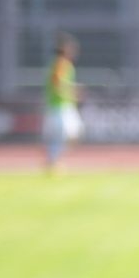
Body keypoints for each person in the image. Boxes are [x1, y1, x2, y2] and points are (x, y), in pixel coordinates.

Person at [42, 34, 81, 174]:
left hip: (62, 106)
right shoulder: (61, 63)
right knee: (63, 135)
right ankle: (53, 163)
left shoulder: (63, 64)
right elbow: (57, 83)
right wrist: (71, 92)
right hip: (59, 107)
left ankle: (54, 161)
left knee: (68, 134)